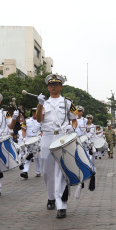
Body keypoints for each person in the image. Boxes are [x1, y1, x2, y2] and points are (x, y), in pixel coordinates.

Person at [36, 73, 78, 219]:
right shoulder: (43, 102)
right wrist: (40, 104)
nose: (53, 87)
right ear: (48, 87)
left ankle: (62, 205)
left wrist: (72, 128)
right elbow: (39, 119)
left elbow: (74, 120)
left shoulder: (67, 102)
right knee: (47, 171)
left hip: (61, 136)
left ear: (61, 86)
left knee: (61, 171)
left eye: (56, 84)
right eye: (51, 85)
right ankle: (51, 197)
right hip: (47, 136)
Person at [20, 109, 42, 178]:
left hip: (37, 140)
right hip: (29, 139)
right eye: (36, 113)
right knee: (28, 155)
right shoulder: (27, 120)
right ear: (34, 113)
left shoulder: (41, 121)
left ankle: (38, 172)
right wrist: (24, 138)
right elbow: (23, 129)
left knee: (37, 157)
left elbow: (42, 130)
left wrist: (40, 136)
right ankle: (25, 171)